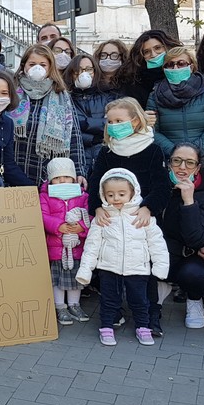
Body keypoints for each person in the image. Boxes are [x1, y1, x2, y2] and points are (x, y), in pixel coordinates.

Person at [87, 97, 172, 335]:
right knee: (109, 270)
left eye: (119, 120)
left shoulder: (152, 150)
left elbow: (162, 186)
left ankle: (151, 316)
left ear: (135, 121)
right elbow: (96, 181)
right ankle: (112, 311)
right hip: (112, 219)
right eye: (110, 121)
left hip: (141, 218)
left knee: (145, 272)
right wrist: (97, 208)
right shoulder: (107, 152)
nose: (114, 125)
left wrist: (149, 208)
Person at [76, 168, 170, 346]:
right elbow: (91, 246)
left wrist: (160, 267)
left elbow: (157, 243)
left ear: (133, 193)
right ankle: (106, 327)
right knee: (109, 300)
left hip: (138, 269)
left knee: (140, 301)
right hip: (108, 268)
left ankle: (143, 327)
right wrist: (85, 270)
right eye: (110, 195)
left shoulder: (143, 216)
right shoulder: (102, 218)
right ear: (103, 196)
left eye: (121, 194)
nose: (116, 198)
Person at [8, 44, 86, 186]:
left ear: (50, 67)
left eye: (43, 65)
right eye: (32, 64)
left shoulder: (61, 95)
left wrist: (79, 170)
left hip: (49, 171)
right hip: (15, 166)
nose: (37, 68)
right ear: (24, 65)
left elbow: (74, 135)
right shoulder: (12, 90)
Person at [160, 143, 204, 329]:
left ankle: (194, 300)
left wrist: (189, 201)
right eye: (177, 161)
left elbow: (197, 239)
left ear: (198, 167)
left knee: (194, 276)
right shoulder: (159, 187)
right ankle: (159, 292)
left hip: (190, 256)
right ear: (169, 164)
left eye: (190, 163)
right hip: (162, 251)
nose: (182, 167)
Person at [146, 46, 204, 157]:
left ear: (191, 67)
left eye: (181, 63)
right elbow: (152, 130)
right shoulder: (155, 95)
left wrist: (195, 151)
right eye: (170, 64)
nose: (175, 67)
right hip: (170, 158)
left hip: (203, 156)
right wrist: (175, 152)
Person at [40, 157, 90, 325]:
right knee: (58, 280)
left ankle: (74, 305)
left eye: (67, 177)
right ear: (50, 180)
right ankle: (60, 306)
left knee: (75, 280)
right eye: (57, 177)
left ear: (74, 178)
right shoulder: (45, 196)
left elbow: (90, 216)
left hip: (76, 246)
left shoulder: (82, 196)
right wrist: (58, 226)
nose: (62, 181)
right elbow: (43, 216)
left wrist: (81, 227)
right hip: (56, 247)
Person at [63, 53, 119, 172]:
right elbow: (68, 128)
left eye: (88, 69)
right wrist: (93, 138)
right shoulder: (64, 98)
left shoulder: (108, 95)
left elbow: (114, 123)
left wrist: (84, 124)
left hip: (105, 153)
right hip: (77, 157)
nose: (84, 73)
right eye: (78, 70)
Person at [119, 29, 182, 109]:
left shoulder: (181, 72)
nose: (153, 54)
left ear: (167, 47)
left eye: (158, 48)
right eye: (146, 52)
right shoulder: (134, 81)